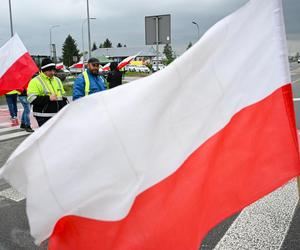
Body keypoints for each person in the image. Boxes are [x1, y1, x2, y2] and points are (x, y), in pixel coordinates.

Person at [27, 58, 68, 127]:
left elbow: (63, 97)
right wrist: (48, 98)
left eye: (53, 70)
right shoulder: (35, 81)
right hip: (43, 116)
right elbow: (31, 99)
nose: (53, 72)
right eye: (50, 70)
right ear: (43, 71)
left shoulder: (57, 80)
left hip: (58, 116)